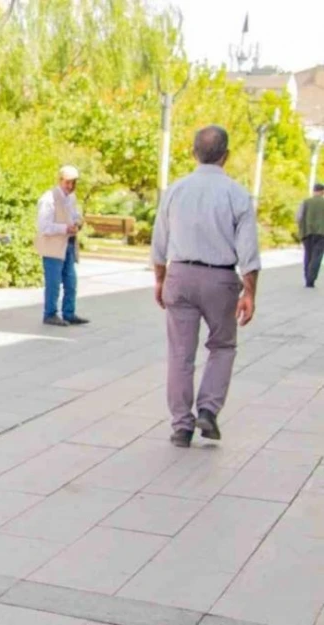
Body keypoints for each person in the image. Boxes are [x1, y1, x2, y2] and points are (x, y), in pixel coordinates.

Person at [151, 125, 260, 448]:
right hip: (220, 280)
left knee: (180, 354)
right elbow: (249, 251)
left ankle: (181, 426)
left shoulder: (175, 190)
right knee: (222, 346)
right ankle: (209, 410)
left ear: (193, 152)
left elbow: (159, 241)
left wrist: (160, 278)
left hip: (179, 275)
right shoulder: (237, 194)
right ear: (226, 156)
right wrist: (250, 292)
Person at [35, 165, 89, 326]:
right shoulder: (48, 199)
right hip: (53, 246)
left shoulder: (71, 198)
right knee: (53, 283)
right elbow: (44, 227)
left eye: (73, 183)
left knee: (71, 281)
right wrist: (65, 228)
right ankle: (50, 314)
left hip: (68, 244)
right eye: (68, 182)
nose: (71, 186)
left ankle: (69, 312)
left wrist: (77, 223)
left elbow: (74, 215)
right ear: (60, 180)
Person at [297, 182, 324, 287]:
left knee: (308, 254)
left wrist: (301, 227)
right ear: (322, 191)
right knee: (317, 256)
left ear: (314, 191)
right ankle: (311, 279)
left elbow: (298, 217)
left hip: (306, 232)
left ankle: (307, 276)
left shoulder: (305, 202)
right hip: (321, 233)